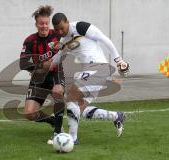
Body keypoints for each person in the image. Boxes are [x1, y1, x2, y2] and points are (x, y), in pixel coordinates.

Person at [51, 13, 130, 144]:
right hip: (93, 72)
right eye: (57, 30)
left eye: (62, 28)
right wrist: (43, 66)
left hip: (98, 67)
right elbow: (57, 58)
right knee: (78, 110)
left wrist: (119, 60)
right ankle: (116, 116)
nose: (60, 32)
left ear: (67, 22)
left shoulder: (80, 27)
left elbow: (104, 39)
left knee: (70, 98)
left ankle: (72, 139)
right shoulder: (64, 42)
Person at [19, 5, 65, 144]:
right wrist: (40, 65)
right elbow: (23, 64)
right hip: (38, 78)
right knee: (29, 113)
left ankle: (58, 132)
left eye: (46, 23)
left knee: (58, 92)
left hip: (55, 74)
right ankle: (52, 121)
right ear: (36, 24)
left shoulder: (57, 35)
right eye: (41, 23)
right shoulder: (30, 40)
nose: (44, 26)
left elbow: (71, 44)